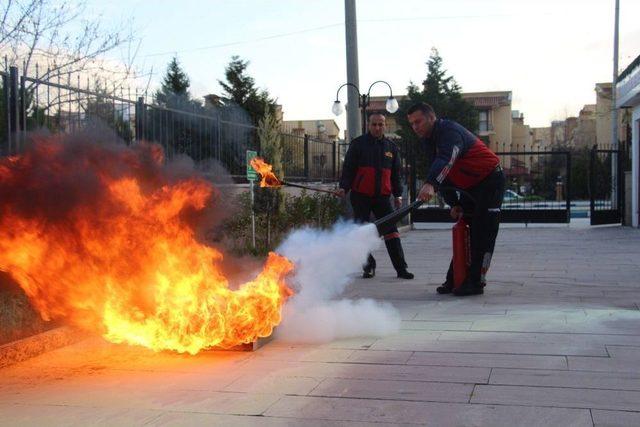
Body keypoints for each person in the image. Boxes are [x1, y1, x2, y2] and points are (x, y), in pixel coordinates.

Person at [407, 102, 505, 296]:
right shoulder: (429, 140)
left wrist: (431, 183)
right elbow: (445, 172)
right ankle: (455, 279)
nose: (415, 127)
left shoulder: (449, 132)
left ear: (431, 118)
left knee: (482, 233)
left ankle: (476, 282)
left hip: (490, 180)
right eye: (411, 124)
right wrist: (455, 203)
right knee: (465, 231)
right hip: (472, 186)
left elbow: (446, 160)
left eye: (418, 121)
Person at [336, 113, 414, 280]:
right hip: (360, 196)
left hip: (383, 198)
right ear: (368, 125)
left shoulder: (391, 147)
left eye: (380, 124)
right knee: (362, 234)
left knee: (392, 232)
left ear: (385, 126)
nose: (377, 127)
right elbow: (348, 168)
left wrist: (398, 194)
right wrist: (344, 187)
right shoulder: (358, 144)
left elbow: (396, 174)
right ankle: (368, 267)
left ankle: (401, 269)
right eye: (374, 124)